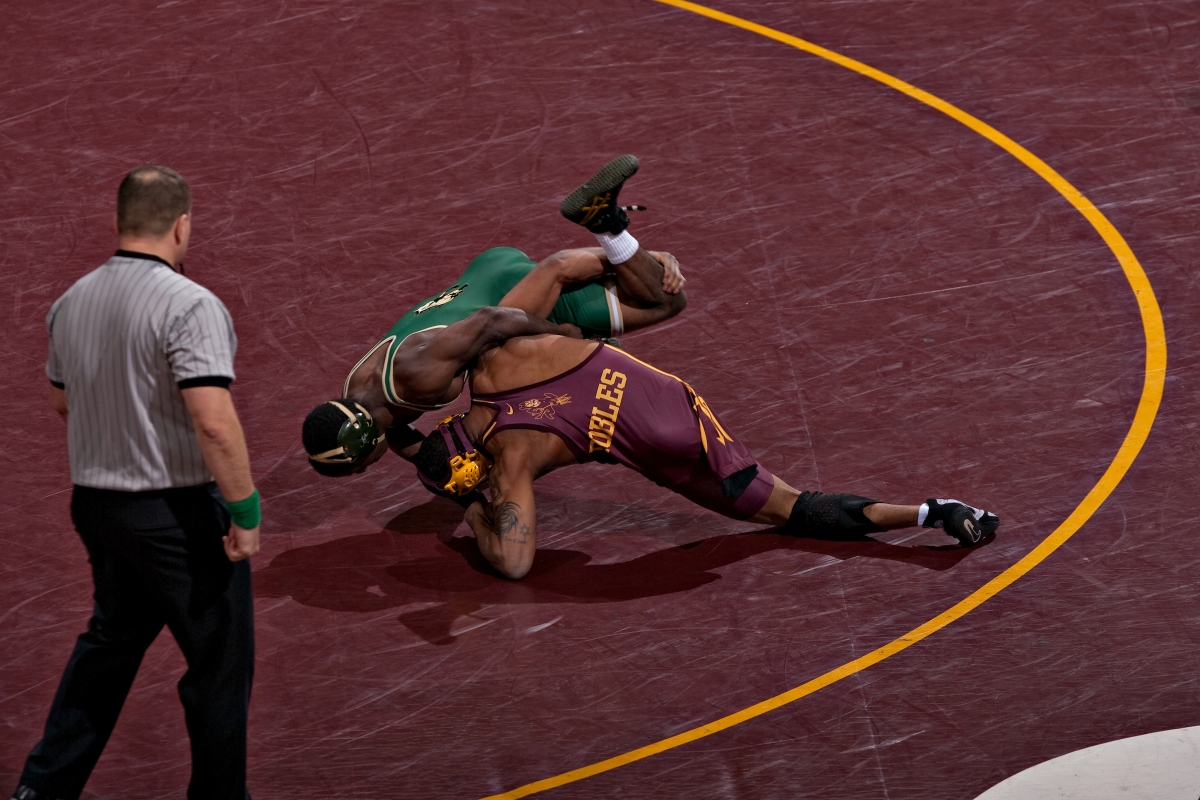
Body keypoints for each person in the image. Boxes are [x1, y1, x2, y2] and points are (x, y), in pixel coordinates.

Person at [11, 166, 259, 800]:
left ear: (119, 221)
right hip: (175, 515)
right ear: (182, 225)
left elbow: (65, 403)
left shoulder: (72, 301)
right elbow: (214, 422)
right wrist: (245, 509)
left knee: (109, 648)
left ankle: (43, 790)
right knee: (219, 665)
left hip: (97, 507)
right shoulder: (190, 305)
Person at [411, 334, 1000, 580]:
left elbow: (514, 563)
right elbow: (502, 307)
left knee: (788, 510)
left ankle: (932, 512)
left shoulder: (511, 468)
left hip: (661, 445)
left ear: (471, 474)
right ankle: (934, 512)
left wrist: (472, 514)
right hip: (666, 395)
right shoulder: (491, 362)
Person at [302, 154, 687, 476]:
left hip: (504, 296)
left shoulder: (414, 376)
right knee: (632, 287)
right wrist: (434, 471)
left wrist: (576, 338)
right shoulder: (357, 398)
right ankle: (627, 250)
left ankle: (607, 223)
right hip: (485, 276)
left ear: (368, 441)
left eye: (358, 468)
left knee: (664, 301)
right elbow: (398, 431)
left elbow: (496, 320)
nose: (363, 471)